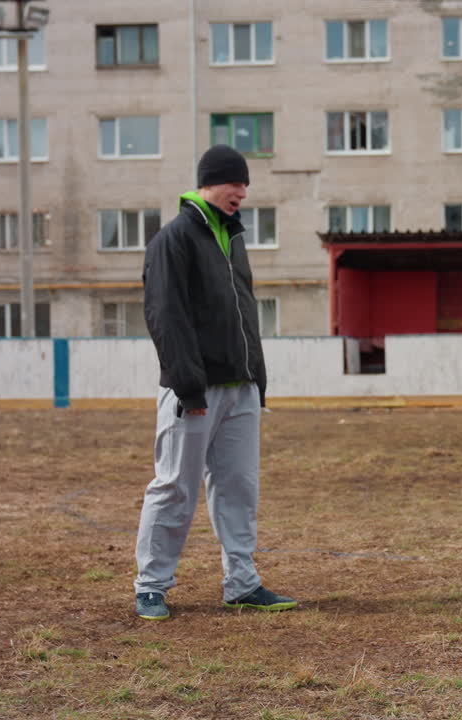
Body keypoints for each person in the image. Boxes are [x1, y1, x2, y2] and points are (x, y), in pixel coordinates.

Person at [133, 144, 296, 621]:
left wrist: (257, 380)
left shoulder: (233, 238)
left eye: (246, 185)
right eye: (234, 183)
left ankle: (242, 584)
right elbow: (166, 316)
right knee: (175, 487)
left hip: (241, 387)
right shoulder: (175, 239)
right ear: (209, 183)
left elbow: (243, 313)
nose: (242, 193)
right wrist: (187, 385)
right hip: (195, 391)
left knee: (239, 487)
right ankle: (151, 586)